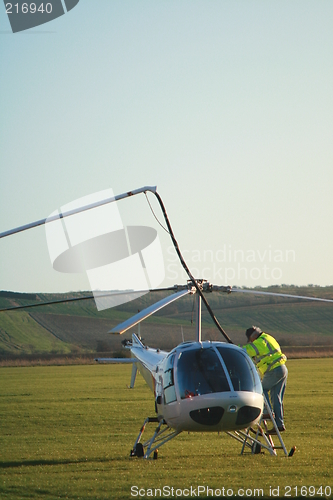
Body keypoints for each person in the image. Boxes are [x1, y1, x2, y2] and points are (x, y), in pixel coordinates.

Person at [243, 326, 288, 433]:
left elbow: (248, 350)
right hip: (282, 369)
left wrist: (237, 348)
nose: (251, 342)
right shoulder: (268, 337)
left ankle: (267, 411)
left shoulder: (260, 341)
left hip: (274, 370)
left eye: (250, 339)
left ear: (253, 336)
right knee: (276, 398)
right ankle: (279, 424)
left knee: (261, 390)